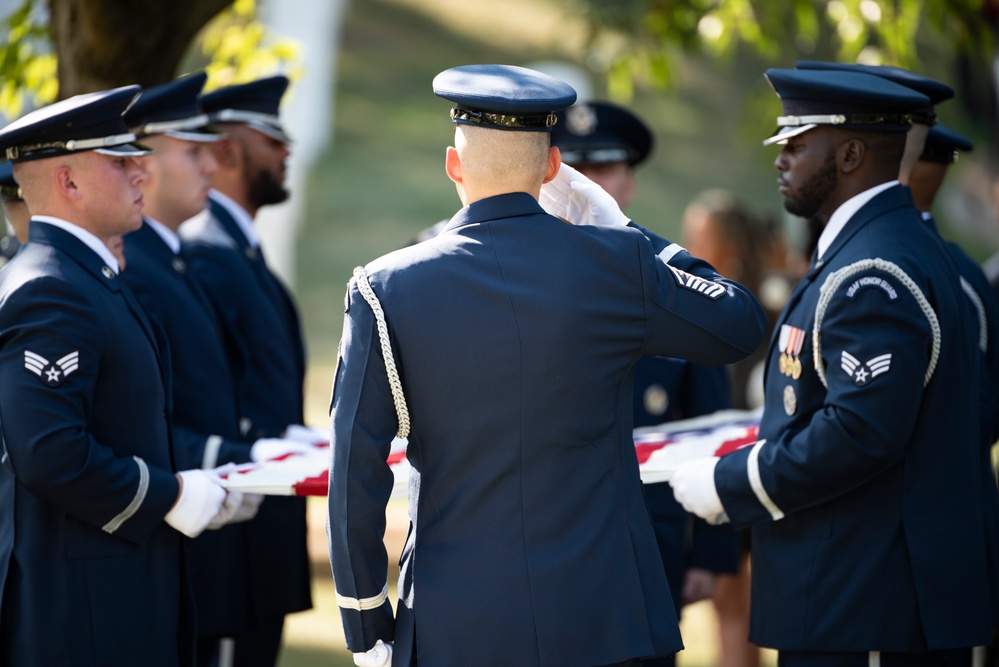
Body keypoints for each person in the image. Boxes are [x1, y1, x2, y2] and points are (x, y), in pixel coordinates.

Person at [328, 63, 767, 667]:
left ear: (454, 166)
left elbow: (354, 469)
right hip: (602, 619)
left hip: (456, 620)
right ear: (554, 167)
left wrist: (364, 618)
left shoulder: (382, 288)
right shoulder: (618, 265)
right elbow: (739, 321)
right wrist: (627, 231)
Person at [670, 67, 994, 665]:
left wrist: (733, 483)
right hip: (859, 598)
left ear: (849, 153)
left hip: (864, 603)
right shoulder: (881, 247)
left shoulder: (872, 270)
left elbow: (862, 432)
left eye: (796, 144)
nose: (781, 160)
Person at [0, 85, 241, 666]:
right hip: (79, 612)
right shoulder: (52, 290)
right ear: (69, 182)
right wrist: (171, 494)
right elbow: (50, 452)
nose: (142, 172)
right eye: (120, 160)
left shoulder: (85, 280)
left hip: (108, 597)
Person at [120, 72, 312, 667]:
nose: (209, 166)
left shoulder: (174, 260)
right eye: (193, 151)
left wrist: (283, 445)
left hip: (229, 531)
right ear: (142, 165)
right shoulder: (157, 264)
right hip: (201, 534)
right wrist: (251, 452)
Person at [551, 101, 740, 667]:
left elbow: (712, 423)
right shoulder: (507, 269)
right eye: (575, 170)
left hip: (647, 545)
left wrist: (709, 552)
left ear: (627, 183)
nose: (588, 185)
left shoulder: (667, 280)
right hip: (540, 540)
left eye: (603, 171)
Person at [179, 74, 312, 667]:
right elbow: (210, 400)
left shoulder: (239, 252)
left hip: (257, 537)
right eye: (271, 139)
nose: (287, 153)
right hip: (230, 545)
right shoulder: (208, 255)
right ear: (227, 149)